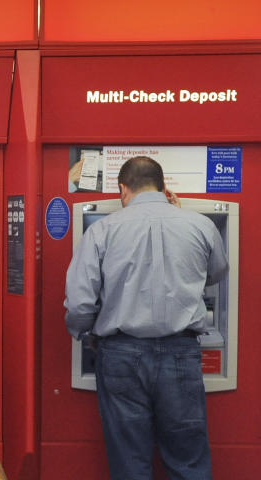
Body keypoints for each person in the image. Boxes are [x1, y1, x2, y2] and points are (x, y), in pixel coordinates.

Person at [64, 156, 228, 479]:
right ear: (164, 187)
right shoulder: (201, 226)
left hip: (120, 356)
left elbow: (80, 305)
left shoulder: (101, 232)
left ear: (122, 189)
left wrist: (84, 335)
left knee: (129, 464)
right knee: (188, 462)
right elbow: (217, 273)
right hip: (181, 355)